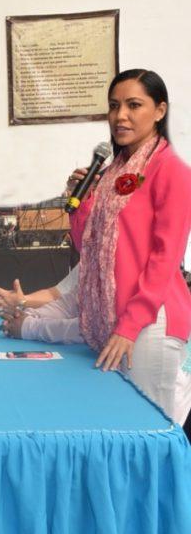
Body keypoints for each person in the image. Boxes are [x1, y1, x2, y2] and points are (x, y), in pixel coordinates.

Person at [73, 69, 191, 422]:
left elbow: (165, 258)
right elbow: (86, 246)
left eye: (133, 105)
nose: (120, 116)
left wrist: (130, 325)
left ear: (159, 111)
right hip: (112, 317)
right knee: (113, 424)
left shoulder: (172, 169)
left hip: (149, 322)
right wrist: (81, 200)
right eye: (114, 106)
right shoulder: (112, 173)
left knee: (144, 432)